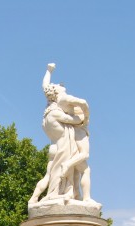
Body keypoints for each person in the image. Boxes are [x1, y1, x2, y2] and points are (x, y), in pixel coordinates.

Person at [29, 63, 94, 206]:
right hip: (63, 148)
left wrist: (48, 71)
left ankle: (33, 199)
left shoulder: (47, 114)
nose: (59, 84)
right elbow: (76, 120)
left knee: (48, 175)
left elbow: (45, 86)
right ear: (56, 94)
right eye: (58, 86)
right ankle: (67, 194)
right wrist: (84, 117)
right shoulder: (58, 114)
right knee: (72, 172)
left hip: (53, 148)